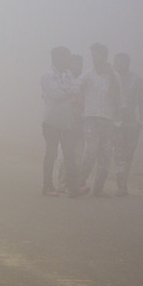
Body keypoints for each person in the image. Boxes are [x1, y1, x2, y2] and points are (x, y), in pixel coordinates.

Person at [79, 43, 120, 197]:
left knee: (105, 155)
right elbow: (77, 88)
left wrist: (118, 120)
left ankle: (99, 188)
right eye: (93, 55)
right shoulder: (87, 75)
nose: (95, 58)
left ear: (105, 56)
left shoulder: (114, 77)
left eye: (98, 55)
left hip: (108, 120)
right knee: (91, 151)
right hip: (90, 118)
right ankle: (80, 181)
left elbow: (118, 97)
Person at [40, 46, 82, 197]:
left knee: (69, 154)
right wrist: (69, 90)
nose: (69, 61)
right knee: (51, 154)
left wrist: (65, 90)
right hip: (51, 121)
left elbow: (77, 88)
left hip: (67, 121)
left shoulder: (68, 74)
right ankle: (47, 186)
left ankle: (73, 187)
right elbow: (55, 94)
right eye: (66, 58)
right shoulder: (47, 76)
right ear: (57, 59)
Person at [113, 52, 143, 196]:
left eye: (121, 62)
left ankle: (123, 184)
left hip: (132, 124)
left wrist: (141, 121)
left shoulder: (137, 80)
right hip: (115, 124)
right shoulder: (111, 79)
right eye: (116, 62)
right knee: (118, 154)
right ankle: (121, 186)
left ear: (127, 63)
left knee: (128, 155)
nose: (118, 65)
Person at [56, 54, 85, 194]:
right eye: (74, 63)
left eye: (79, 63)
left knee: (78, 155)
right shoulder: (63, 79)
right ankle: (63, 183)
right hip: (65, 123)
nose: (77, 66)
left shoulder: (86, 80)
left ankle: (75, 183)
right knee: (64, 155)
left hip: (80, 123)